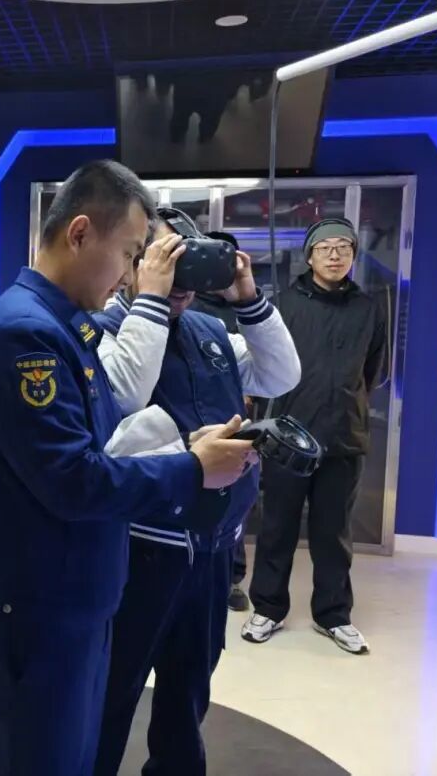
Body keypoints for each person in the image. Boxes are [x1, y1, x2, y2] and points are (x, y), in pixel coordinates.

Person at [0, 160, 256, 776]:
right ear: (80, 233)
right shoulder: (26, 335)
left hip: (74, 600)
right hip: (34, 610)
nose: (131, 274)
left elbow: (102, 444)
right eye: (128, 254)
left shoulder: (69, 326)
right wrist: (191, 469)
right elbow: (74, 480)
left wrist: (184, 446)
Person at [92, 211, 301, 776]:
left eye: (188, 259)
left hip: (212, 549)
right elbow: (119, 406)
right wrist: (151, 301)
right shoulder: (98, 331)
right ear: (131, 263)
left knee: (189, 686)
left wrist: (247, 298)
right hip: (140, 550)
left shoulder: (209, 331)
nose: (179, 276)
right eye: (165, 258)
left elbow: (281, 376)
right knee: (113, 687)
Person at [243, 217, 387, 655]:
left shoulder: (368, 308)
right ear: (309, 257)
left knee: (333, 532)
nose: (334, 255)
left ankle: (333, 615)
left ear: (353, 255)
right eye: (325, 247)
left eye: (344, 247)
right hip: (288, 437)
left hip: (343, 437)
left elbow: (372, 371)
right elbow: (263, 364)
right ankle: (268, 608)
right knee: (277, 527)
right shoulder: (283, 305)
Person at [188, 230, 253, 612]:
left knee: (234, 496)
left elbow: (275, 370)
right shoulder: (183, 301)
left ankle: (233, 577)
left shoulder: (236, 307)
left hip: (233, 416)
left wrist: (247, 299)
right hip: (191, 430)